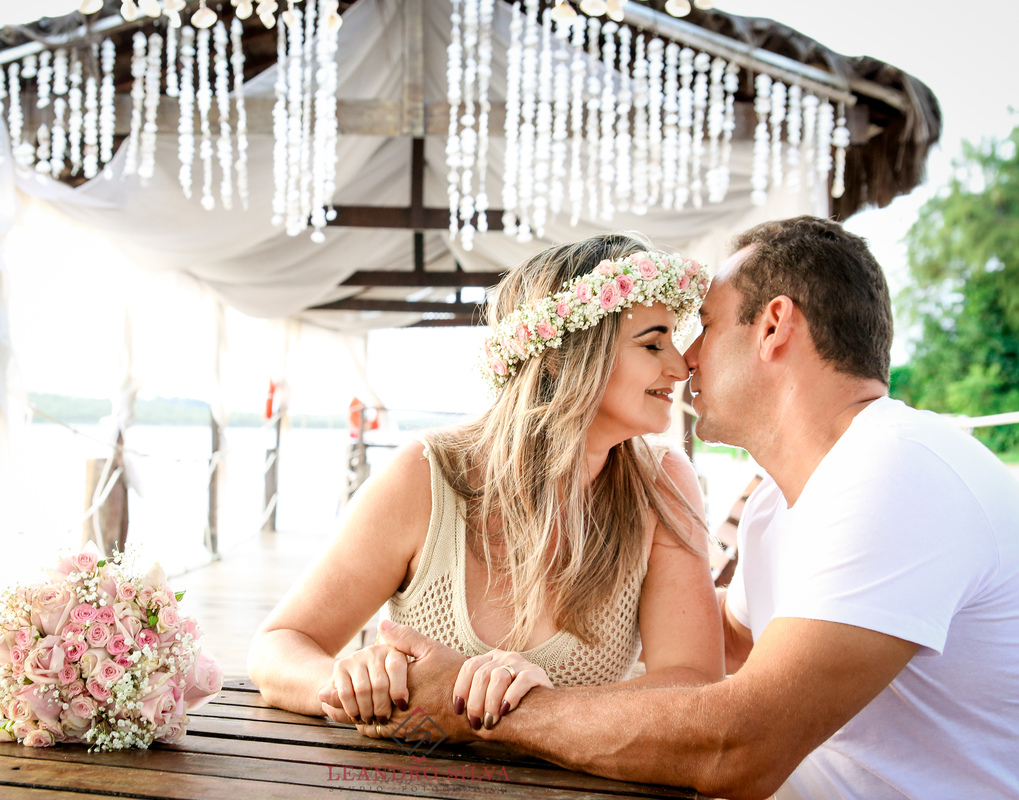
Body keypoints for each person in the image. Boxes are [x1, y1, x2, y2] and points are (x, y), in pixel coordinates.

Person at [354, 216, 1019, 800]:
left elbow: (739, 748)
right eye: (661, 340)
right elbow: (724, 646)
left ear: (774, 326)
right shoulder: (773, 512)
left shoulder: (899, 470)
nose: (688, 359)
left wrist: (476, 706)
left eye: (704, 328)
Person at [248, 233, 724, 733]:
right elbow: (277, 646)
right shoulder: (426, 476)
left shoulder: (663, 484)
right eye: (653, 343)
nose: (681, 364)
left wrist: (539, 708)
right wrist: (348, 680)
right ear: (566, 356)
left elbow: (694, 685)